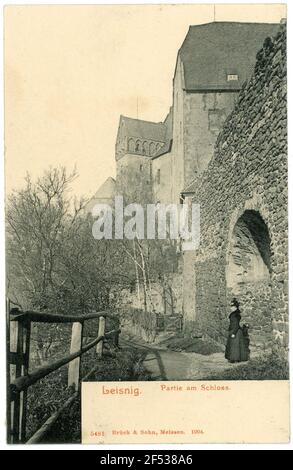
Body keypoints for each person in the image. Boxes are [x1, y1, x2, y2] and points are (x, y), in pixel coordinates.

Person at [225, 298, 249, 363]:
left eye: (232, 306)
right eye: (231, 306)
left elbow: (236, 325)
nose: (231, 308)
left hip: (235, 331)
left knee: (235, 346)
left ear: (235, 307)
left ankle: (235, 359)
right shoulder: (234, 314)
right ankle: (234, 358)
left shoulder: (235, 315)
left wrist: (233, 333)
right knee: (233, 345)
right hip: (234, 330)